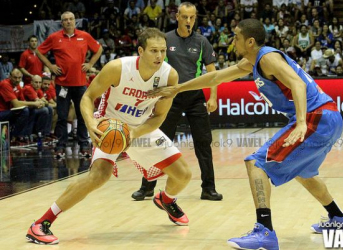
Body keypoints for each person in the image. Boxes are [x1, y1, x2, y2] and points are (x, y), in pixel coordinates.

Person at [149, 19, 343, 250]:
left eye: (236, 37)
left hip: (317, 116)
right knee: (303, 172)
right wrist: (178, 88)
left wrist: (302, 122)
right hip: (329, 117)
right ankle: (339, 219)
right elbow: (216, 77)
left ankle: (264, 230)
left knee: (256, 163)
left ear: (250, 41)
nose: (232, 41)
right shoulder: (253, 62)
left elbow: (298, 84)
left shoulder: (267, 57)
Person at [26, 28, 192, 245]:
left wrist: (134, 132)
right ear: (140, 51)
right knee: (99, 176)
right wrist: (91, 124)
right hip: (110, 125)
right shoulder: (117, 68)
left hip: (140, 128)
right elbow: (88, 97)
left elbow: (158, 116)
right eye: (153, 51)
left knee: (183, 175)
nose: (159, 56)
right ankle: (41, 223)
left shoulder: (169, 75)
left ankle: (166, 199)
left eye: (162, 51)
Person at [131, 2, 223, 201]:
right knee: (158, 142)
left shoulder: (202, 42)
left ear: (195, 18)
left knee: (203, 142)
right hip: (169, 96)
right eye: (184, 17)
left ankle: (209, 188)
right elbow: (152, 65)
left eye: (192, 17)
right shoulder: (165, 39)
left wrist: (213, 96)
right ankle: (147, 187)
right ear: (177, 17)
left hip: (195, 96)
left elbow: (212, 72)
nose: (188, 21)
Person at [36, 11, 103, 158]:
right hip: (62, 85)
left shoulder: (84, 36)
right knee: (62, 116)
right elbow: (39, 51)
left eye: (71, 19)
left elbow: (99, 49)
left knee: (83, 116)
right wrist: (51, 66)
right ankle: (60, 146)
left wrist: (90, 63)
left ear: (75, 22)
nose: (68, 22)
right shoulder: (54, 38)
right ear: (62, 22)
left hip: (80, 84)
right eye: (65, 20)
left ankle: (84, 145)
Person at [0, 69, 45, 145]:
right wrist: (35, 103)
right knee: (25, 111)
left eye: (19, 78)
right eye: (15, 77)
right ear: (10, 76)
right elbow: (16, 104)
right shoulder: (5, 84)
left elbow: (23, 101)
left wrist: (36, 104)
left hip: (10, 111)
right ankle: (15, 137)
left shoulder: (18, 86)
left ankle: (26, 135)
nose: (17, 80)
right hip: (2, 112)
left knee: (32, 110)